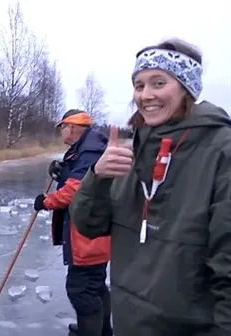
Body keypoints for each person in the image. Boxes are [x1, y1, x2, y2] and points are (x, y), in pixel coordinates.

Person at [69, 37, 231, 336]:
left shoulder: (221, 152)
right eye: (139, 85)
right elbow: (90, 225)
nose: (145, 95)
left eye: (158, 83)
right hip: (130, 323)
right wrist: (98, 177)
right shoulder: (134, 150)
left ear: (187, 88)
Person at [33, 109, 112, 336]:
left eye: (62, 128)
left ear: (72, 127)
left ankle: (91, 331)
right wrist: (63, 171)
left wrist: (46, 202)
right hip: (93, 232)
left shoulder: (90, 151)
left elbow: (75, 191)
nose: (61, 133)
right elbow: (80, 178)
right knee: (94, 286)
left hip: (89, 234)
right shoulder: (86, 149)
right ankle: (102, 329)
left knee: (81, 290)